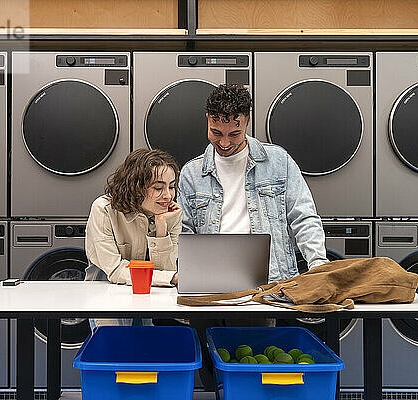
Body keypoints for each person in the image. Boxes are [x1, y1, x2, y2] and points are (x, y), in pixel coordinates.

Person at [177, 84, 329, 390]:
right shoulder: (192, 173)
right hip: (208, 291)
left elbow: (304, 216)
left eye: (233, 134)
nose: (224, 142)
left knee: (255, 370)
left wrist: (318, 266)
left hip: (264, 286)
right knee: (210, 375)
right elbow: (184, 234)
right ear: (208, 120)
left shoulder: (278, 161)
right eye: (215, 132)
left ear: (246, 121)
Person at [85, 148, 182, 328]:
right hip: (106, 297)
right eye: (158, 188)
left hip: (149, 299)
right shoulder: (104, 209)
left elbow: (166, 270)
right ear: (136, 187)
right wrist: (173, 277)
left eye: (172, 186)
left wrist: (161, 227)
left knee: (145, 352)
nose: (168, 195)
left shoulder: (171, 215)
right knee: (114, 352)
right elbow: (114, 270)